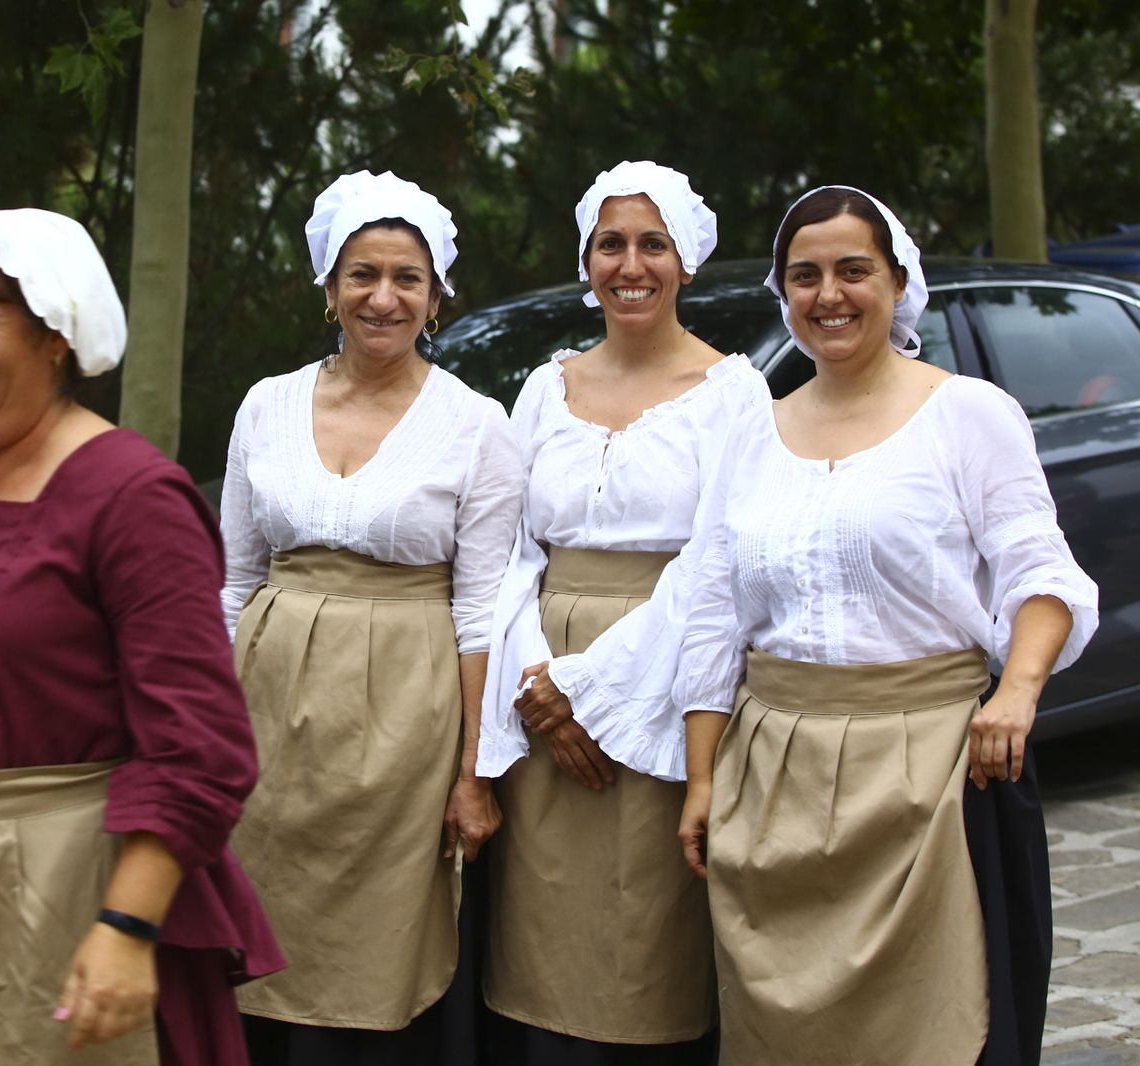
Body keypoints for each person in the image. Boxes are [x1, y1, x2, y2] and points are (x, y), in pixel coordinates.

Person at [0, 201, 282, 1066]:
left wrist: (126, 925)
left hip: (57, 892)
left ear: (55, 336)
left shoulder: (133, 497)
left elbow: (199, 750)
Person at [673, 186, 1099, 1065]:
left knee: (944, 1026)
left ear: (899, 282)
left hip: (933, 773)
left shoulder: (967, 414)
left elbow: (1041, 573)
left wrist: (1016, 694)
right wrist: (704, 778)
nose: (828, 294)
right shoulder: (752, 433)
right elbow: (714, 619)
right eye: (805, 275)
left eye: (853, 270)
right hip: (775, 780)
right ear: (784, 293)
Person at [220, 170, 523, 1065]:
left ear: (436, 298)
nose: (382, 297)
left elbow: (482, 611)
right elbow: (234, 584)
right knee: (258, 935)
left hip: (404, 735)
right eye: (362, 274)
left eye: (406, 278)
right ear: (329, 287)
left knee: (379, 950)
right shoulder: (265, 405)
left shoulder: (477, 425)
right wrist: (205, 731)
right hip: (268, 721)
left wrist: (473, 776)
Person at [475, 160, 768, 1064]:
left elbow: (717, 565)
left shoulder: (734, 393)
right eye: (611, 244)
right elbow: (507, 550)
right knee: (541, 936)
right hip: (535, 685)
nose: (630, 265)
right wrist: (537, 684)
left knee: (645, 940)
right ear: (586, 260)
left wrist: (589, 688)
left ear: (686, 261)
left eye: (653, 244)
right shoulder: (543, 387)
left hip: (666, 681)